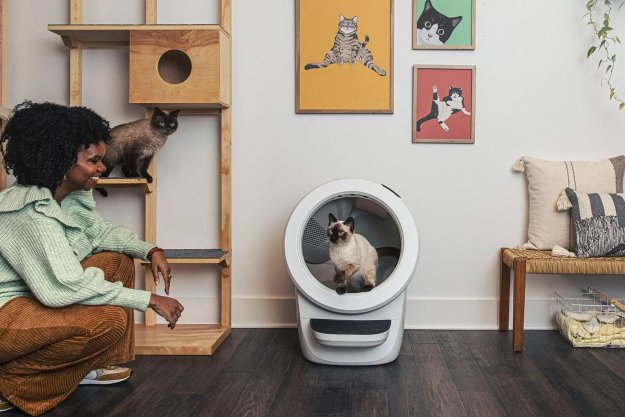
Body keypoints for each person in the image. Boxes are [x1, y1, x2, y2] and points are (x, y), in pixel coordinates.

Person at [0, 101, 184, 416]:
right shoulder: (29, 212)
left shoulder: (69, 195)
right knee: (106, 320)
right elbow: (63, 287)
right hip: (6, 316)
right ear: (60, 162)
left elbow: (98, 233)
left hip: (28, 304)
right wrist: (148, 299)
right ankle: (11, 384)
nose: (102, 167)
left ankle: (90, 365)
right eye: (94, 161)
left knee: (117, 260)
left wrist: (151, 250)